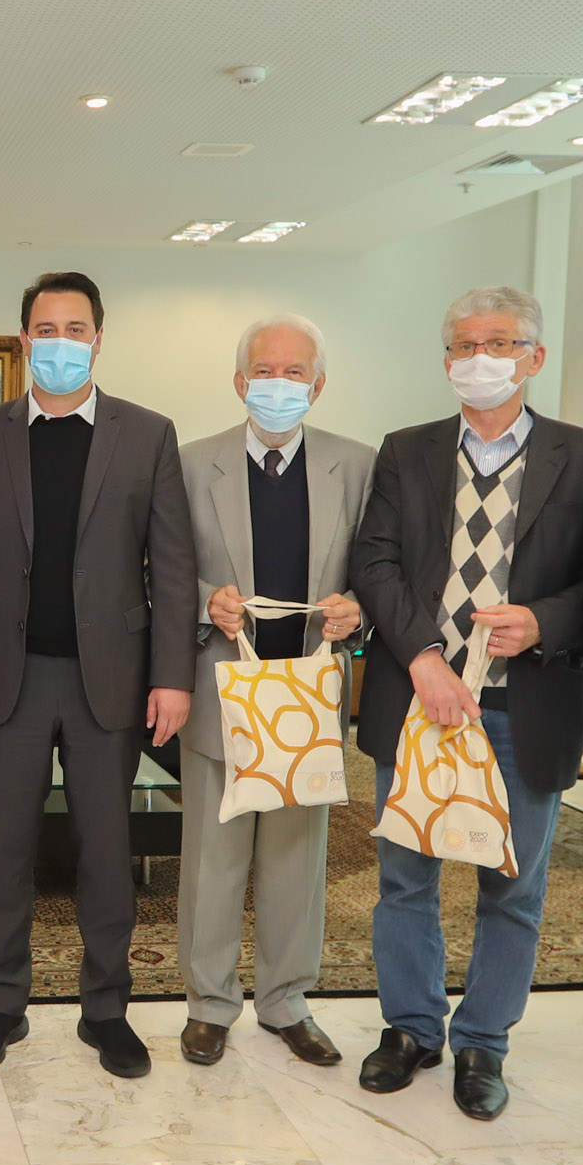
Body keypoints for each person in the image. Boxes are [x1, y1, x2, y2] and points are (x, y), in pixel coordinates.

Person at [347, 284, 583, 1119]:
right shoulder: (407, 450)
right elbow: (377, 565)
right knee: (405, 877)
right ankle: (410, 1029)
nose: (480, 359)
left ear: (533, 358)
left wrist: (542, 621)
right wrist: (423, 658)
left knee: (514, 885)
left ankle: (483, 1043)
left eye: (499, 343)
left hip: (525, 704)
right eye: (464, 345)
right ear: (446, 362)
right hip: (421, 698)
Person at [0, 272, 194, 1079]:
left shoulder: (146, 434)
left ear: (98, 339)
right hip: (6, 678)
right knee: (2, 851)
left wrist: (173, 676)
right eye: (45, 329)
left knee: (106, 852)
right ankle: (0, 1002)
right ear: (23, 341)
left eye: (74, 328)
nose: (59, 342)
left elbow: (174, 567)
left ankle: (106, 1008)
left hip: (109, 680)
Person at [173, 314, 373, 1068]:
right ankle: (209, 1003)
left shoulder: (358, 465)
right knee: (213, 857)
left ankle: (286, 1000)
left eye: (295, 374)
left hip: (310, 697)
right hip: (223, 689)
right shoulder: (192, 465)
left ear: (317, 386)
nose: (278, 385)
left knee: (297, 858)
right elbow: (159, 565)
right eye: (265, 370)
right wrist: (204, 601)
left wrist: (362, 611)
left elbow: (382, 567)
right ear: (238, 381)